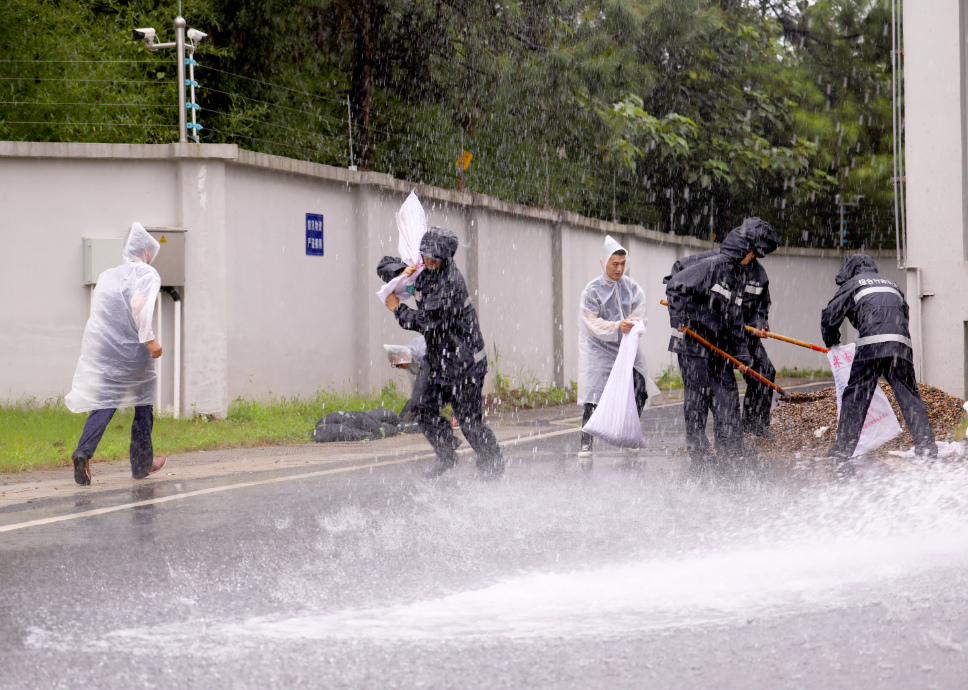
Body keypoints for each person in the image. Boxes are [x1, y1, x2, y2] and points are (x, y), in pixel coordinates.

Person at [384, 226, 504, 478]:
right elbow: (382, 266)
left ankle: (492, 466)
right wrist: (401, 272)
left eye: (434, 258)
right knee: (420, 408)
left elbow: (425, 321)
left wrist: (397, 308)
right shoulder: (422, 267)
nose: (428, 261)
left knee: (470, 422)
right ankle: (447, 452)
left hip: (465, 364)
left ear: (446, 258)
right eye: (424, 255)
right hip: (437, 358)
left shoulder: (451, 285)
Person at [65, 222, 167, 485]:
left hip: (107, 353)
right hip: (135, 353)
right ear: (145, 250)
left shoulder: (109, 275)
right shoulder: (147, 273)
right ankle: (142, 464)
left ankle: (82, 453)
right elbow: (140, 305)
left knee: (105, 402)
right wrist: (150, 340)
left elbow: (101, 316)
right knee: (143, 404)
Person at [664, 219, 780, 438]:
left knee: (761, 372)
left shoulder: (758, 275)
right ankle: (701, 450)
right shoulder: (713, 264)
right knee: (699, 396)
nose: (755, 257)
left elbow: (760, 307)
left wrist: (758, 325)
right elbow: (677, 282)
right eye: (755, 251)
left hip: (736, 332)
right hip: (700, 334)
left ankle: (751, 426)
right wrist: (683, 315)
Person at [821, 254, 936, 470]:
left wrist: (832, 340)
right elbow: (904, 315)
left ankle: (843, 450)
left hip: (871, 344)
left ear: (851, 271)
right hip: (900, 344)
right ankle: (927, 447)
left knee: (856, 397)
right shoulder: (892, 284)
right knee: (910, 397)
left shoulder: (854, 283)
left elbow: (830, 315)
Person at [577, 235, 659, 468]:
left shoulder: (632, 288)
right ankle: (586, 441)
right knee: (594, 395)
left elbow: (639, 316)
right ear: (603, 262)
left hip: (626, 347)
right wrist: (615, 326)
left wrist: (628, 325)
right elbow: (590, 322)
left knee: (639, 387)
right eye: (615, 263)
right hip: (598, 349)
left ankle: (628, 435)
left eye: (623, 263)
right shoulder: (592, 290)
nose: (620, 268)